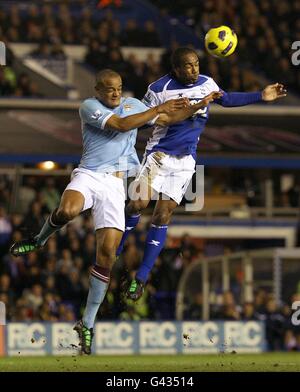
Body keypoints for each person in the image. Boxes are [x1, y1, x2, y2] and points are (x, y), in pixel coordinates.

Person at [9, 68, 216, 354]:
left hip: (116, 185)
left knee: (106, 255)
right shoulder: (89, 107)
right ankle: (39, 239)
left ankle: (88, 323)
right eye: (109, 89)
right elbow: (120, 125)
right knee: (68, 211)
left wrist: (197, 106)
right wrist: (157, 108)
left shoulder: (134, 104)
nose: (115, 93)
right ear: (97, 90)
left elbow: (168, 118)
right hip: (89, 175)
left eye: (118, 88)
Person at [116, 47, 287, 301]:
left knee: (163, 213)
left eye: (196, 64)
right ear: (175, 69)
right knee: (138, 203)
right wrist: (195, 106)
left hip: (185, 161)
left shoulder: (207, 83)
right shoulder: (158, 89)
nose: (194, 69)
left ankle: (141, 278)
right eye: (188, 65)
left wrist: (261, 95)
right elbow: (152, 120)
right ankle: (115, 250)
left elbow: (226, 99)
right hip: (159, 154)